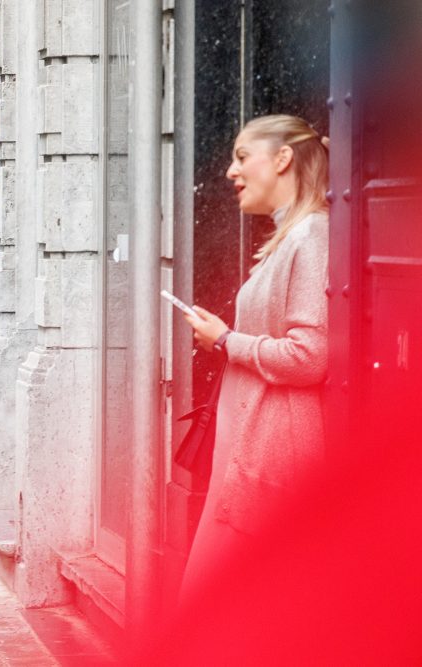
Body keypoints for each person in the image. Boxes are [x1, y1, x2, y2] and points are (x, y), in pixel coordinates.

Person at [178, 114, 330, 599]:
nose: (230, 171)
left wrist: (225, 341)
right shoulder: (291, 236)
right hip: (254, 452)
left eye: (243, 156)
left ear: (283, 159)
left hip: (272, 458)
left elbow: (310, 356)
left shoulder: (312, 235)